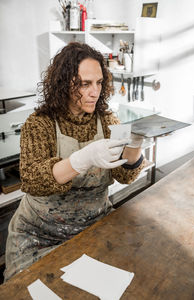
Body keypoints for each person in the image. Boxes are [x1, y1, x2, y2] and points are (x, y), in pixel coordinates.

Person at [4, 42, 145, 281]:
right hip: (39, 235)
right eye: (85, 83)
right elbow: (31, 180)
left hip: (94, 225)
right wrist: (82, 159)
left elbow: (126, 176)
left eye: (99, 82)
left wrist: (135, 145)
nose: (95, 91)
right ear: (64, 83)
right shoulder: (40, 123)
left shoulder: (108, 120)